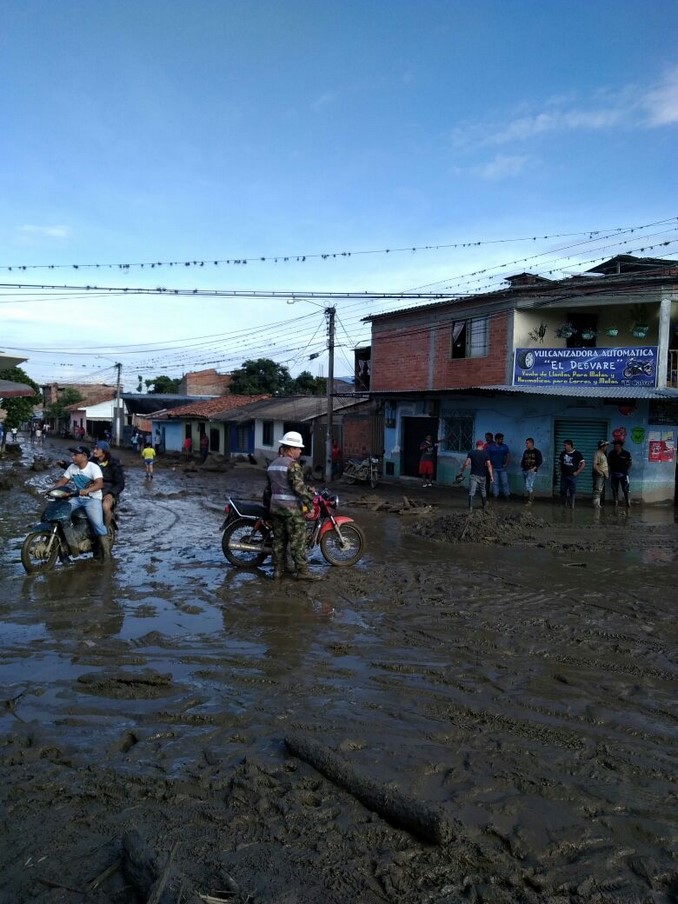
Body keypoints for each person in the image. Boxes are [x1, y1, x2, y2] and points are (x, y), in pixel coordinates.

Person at [266, 431, 322, 582]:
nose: (300, 451)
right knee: (298, 541)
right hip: (291, 511)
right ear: (290, 449)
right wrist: (309, 505)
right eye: (298, 448)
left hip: (276, 509)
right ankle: (302, 571)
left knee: (279, 541)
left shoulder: (273, 465)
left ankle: (278, 571)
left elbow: (267, 490)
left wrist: (268, 508)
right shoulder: (292, 465)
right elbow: (299, 489)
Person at [51, 445, 111, 558]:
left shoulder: (93, 467)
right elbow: (63, 481)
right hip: (77, 499)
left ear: (84, 456)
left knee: (98, 525)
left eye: (75, 455)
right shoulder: (72, 467)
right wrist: (51, 490)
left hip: (93, 500)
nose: (72, 457)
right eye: (72, 454)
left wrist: (87, 490)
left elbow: (100, 484)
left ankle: (107, 554)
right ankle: (70, 541)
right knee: (61, 513)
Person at [91, 440, 125, 527]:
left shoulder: (114, 464)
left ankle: (104, 531)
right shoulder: (91, 462)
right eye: (94, 449)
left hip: (109, 492)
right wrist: (65, 465)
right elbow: (79, 466)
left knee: (105, 506)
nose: (94, 451)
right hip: (94, 489)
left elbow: (120, 484)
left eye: (97, 449)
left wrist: (111, 494)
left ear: (104, 451)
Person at [460, 440, 493, 510]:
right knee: (483, 490)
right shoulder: (486, 454)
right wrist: (491, 476)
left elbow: (466, 463)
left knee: (472, 491)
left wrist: (461, 471)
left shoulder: (471, 452)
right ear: (483, 445)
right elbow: (489, 465)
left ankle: (470, 507)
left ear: (476, 445)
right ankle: (484, 506)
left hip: (474, 475)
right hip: (483, 475)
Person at [559, 439, 585, 508]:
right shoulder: (563, 453)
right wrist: (560, 471)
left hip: (573, 476)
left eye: (565, 445)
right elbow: (560, 463)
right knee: (562, 490)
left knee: (572, 491)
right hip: (564, 475)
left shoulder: (577, 453)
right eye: (564, 446)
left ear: (570, 445)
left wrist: (577, 472)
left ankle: (572, 506)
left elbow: (583, 464)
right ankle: (564, 504)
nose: (564, 447)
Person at [608, 439, 632, 507]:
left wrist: (625, 470)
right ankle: (616, 503)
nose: (615, 447)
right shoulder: (611, 453)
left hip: (623, 475)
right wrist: (609, 474)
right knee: (614, 489)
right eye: (615, 446)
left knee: (626, 489)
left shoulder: (626, 453)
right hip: (614, 474)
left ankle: (628, 503)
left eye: (617, 446)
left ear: (620, 446)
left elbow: (630, 463)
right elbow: (609, 464)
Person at [520, 437, 543, 505]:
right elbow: (523, 459)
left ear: (531, 443)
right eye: (526, 443)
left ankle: (530, 501)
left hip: (532, 471)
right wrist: (522, 466)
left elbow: (540, 461)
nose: (526, 445)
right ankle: (531, 498)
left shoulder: (537, 451)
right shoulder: (526, 451)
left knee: (528, 486)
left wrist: (534, 468)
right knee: (528, 485)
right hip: (525, 470)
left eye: (527, 443)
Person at [488, 432, 511, 499]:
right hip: (494, 468)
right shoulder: (491, 447)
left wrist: (506, 464)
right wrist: (490, 465)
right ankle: (495, 495)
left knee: (505, 482)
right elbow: (488, 457)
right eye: (501, 439)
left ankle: (507, 495)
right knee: (495, 483)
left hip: (502, 468)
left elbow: (508, 456)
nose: (502, 440)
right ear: (496, 439)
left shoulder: (505, 447)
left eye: (502, 439)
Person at [592, 440, 609, 508]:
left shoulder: (602, 453)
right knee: (598, 490)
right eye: (606, 446)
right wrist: (601, 473)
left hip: (602, 475)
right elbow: (595, 465)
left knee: (599, 489)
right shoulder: (598, 454)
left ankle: (597, 504)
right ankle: (596, 505)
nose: (606, 447)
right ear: (602, 447)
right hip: (599, 475)